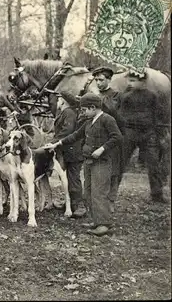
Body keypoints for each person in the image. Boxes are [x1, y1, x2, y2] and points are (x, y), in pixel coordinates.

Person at [44, 93, 123, 236]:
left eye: (84, 110)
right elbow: (75, 135)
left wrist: (102, 149)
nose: (82, 113)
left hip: (102, 162)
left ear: (93, 108)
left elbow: (117, 137)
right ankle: (96, 220)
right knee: (89, 192)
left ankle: (104, 224)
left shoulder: (107, 119)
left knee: (99, 192)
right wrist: (58, 143)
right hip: (89, 161)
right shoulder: (89, 121)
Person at [118, 71, 169, 203]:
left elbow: (158, 114)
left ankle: (157, 194)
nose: (130, 83)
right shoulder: (126, 96)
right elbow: (120, 113)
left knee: (153, 164)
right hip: (130, 132)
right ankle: (111, 190)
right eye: (129, 80)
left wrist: (157, 133)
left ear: (143, 82)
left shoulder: (152, 96)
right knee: (120, 163)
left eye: (133, 81)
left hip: (148, 133)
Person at [92, 66, 122, 212]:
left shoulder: (115, 94)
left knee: (113, 171)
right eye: (96, 80)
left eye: (101, 80)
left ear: (109, 79)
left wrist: (96, 100)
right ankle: (98, 201)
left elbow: (112, 110)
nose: (98, 82)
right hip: (96, 138)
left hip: (111, 138)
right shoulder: (95, 93)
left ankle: (111, 200)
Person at [52, 91, 85, 216]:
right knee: (65, 178)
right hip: (66, 150)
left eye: (58, 99)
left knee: (73, 178)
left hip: (72, 151)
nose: (57, 102)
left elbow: (67, 130)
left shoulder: (69, 112)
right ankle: (69, 202)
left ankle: (79, 206)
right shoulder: (66, 113)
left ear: (63, 101)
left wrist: (52, 142)